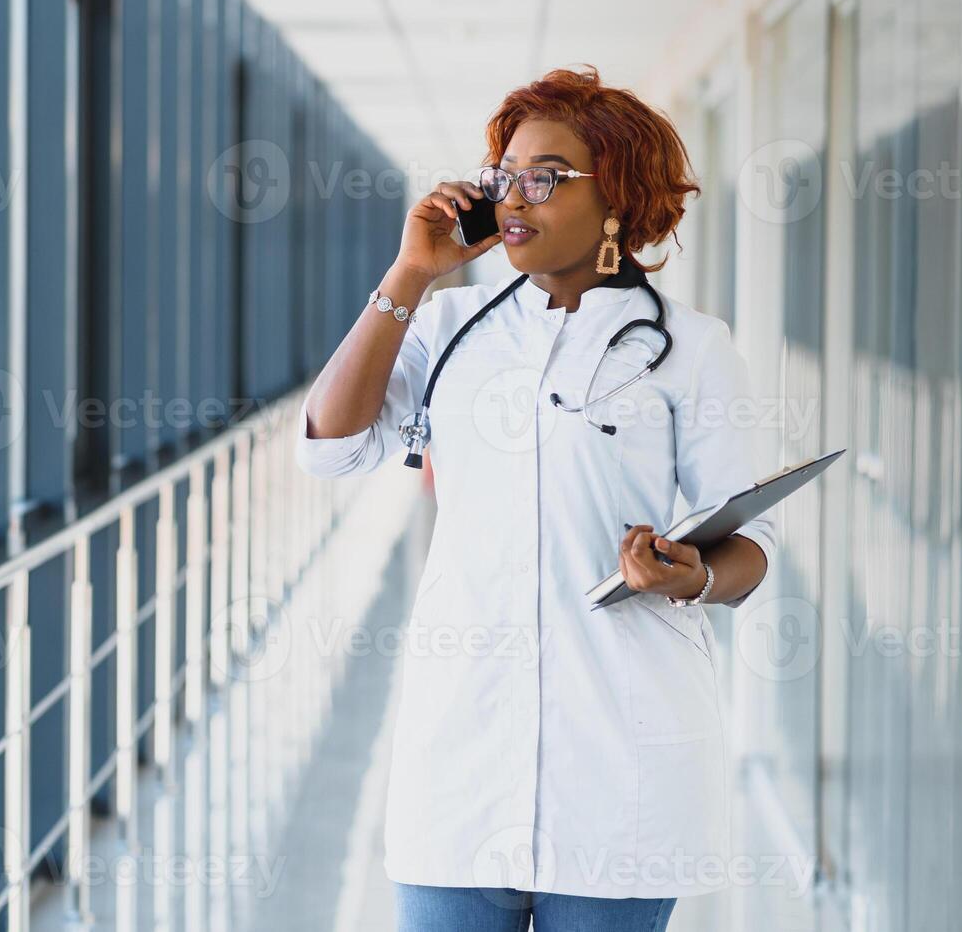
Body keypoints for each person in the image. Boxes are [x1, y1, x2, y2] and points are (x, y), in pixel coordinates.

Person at [293, 66, 777, 932]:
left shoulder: (692, 350)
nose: (512, 197)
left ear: (619, 199)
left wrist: (686, 574)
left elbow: (749, 553)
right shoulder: (446, 331)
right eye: (502, 175)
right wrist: (410, 275)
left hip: (618, 764)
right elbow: (331, 448)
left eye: (544, 178)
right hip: (460, 759)